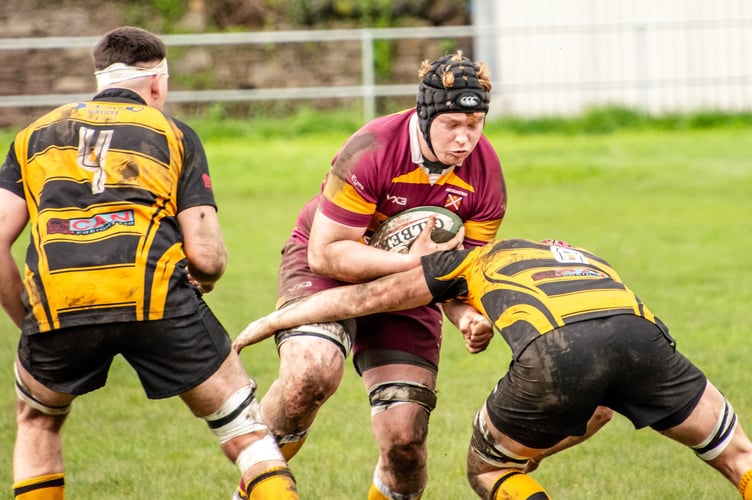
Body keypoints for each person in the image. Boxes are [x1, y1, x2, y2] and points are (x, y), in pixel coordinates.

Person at [0, 26, 297, 500]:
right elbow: (206, 255)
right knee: (245, 431)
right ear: (156, 83)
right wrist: (205, 274)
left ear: (100, 79)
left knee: (38, 421)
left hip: (60, 303)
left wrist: (29, 318)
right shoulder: (172, 132)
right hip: (156, 297)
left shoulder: (33, 136)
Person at [234, 232, 752, 499]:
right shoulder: (575, 252)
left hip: (560, 351)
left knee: (489, 469)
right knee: (738, 456)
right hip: (645, 338)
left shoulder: (467, 259)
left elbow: (362, 300)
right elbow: (598, 385)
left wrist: (268, 323)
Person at [241, 50, 506, 498]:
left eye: (475, 124)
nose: (465, 139)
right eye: (452, 125)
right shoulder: (373, 148)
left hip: (410, 291)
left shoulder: (485, 174)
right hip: (329, 267)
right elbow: (328, 254)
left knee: (405, 442)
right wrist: (416, 264)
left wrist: (467, 318)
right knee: (310, 376)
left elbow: (460, 274)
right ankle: (252, 490)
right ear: (424, 116)